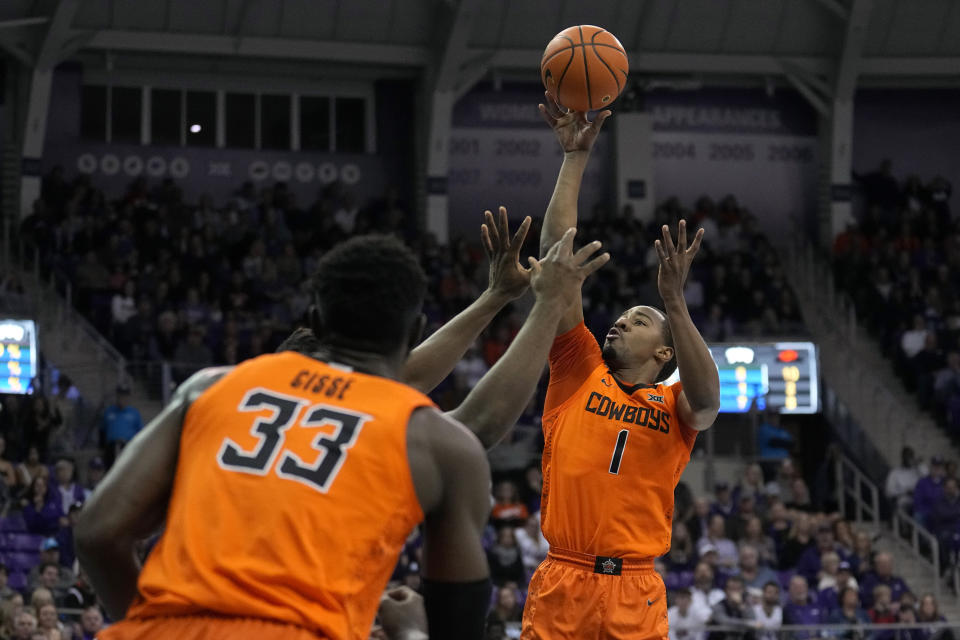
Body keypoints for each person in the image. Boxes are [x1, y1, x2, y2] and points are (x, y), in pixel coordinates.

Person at [77, 230, 609, 640]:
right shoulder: (425, 438)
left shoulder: (209, 388)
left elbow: (98, 532)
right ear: (411, 332)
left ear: (314, 318)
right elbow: (479, 425)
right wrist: (546, 305)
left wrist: (150, 622)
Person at [520, 94, 720, 640]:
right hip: (564, 579)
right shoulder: (579, 368)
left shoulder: (676, 404)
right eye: (620, 318)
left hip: (635, 589)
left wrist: (674, 304)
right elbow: (558, 260)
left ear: (664, 352)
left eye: (636, 321)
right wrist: (574, 158)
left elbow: (707, 403)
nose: (618, 324)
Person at [708, 575, 756, 640]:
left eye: (738, 589)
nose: (735, 592)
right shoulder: (718, 606)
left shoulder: (746, 605)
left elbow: (753, 620)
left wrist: (741, 605)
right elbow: (725, 622)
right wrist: (747, 624)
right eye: (732, 589)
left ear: (743, 590)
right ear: (726, 590)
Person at [885, 447, 922, 513]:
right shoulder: (895, 472)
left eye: (910, 456)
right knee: (902, 504)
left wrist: (919, 465)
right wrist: (905, 491)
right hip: (903, 499)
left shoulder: (916, 471)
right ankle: (902, 523)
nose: (908, 459)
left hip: (917, 498)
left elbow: (927, 478)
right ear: (903, 458)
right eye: (907, 456)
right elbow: (889, 492)